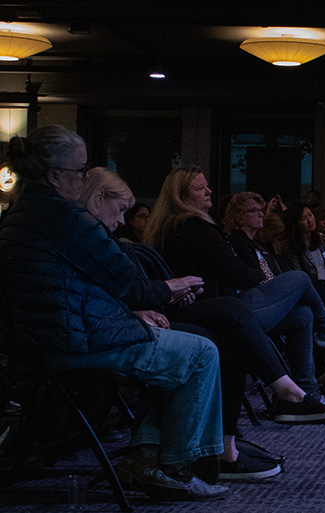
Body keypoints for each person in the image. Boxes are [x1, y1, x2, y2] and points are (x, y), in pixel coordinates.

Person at [78, 168, 325, 482]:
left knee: (290, 314)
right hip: (137, 322)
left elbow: (117, 289)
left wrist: (157, 298)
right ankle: (306, 368)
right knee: (287, 288)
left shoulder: (106, 234)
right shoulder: (187, 226)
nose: (124, 220)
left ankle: (259, 419)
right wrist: (160, 296)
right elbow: (233, 272)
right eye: (200, 187)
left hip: (168, 308)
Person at [0, 126, 230, 501]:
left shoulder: (20, 216)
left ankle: (145, 456)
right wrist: (172, 287)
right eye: (81, 170)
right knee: (202, 352)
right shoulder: (64, 219)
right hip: (77, 341)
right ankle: (175, 466)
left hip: (47, 338)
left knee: (181, 349)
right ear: (55, 175)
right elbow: (129, 284)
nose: (85, 177)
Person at [145, 168, 325, 394]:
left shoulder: (181, 227)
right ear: (180, 196)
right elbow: (238, 272)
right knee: (300, 279)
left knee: (302, 315)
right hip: (222, 308)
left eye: (207, 186)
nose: (209, 191)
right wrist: (257, 276)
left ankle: (306, 393)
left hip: (218, 303)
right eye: (200, 188)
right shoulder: (194, 228)